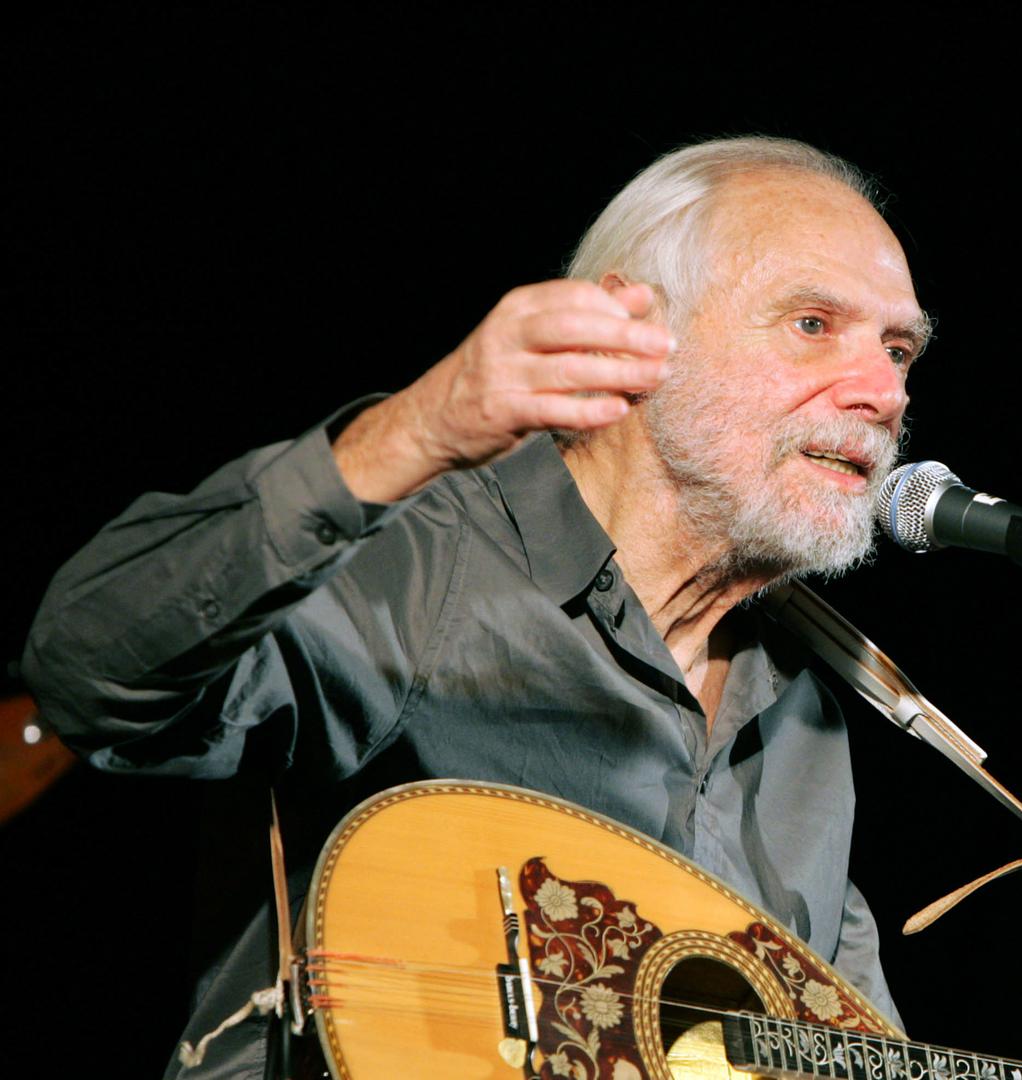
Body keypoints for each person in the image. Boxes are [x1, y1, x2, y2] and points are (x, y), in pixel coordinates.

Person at [23, 136, 930, 1078]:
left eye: (899, 348)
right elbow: (88, 675)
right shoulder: (425, 563)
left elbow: (853, 1051)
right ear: (628, 330)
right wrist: (414, 431)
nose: (883, 392)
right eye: (815, 325)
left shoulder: (808, 720)